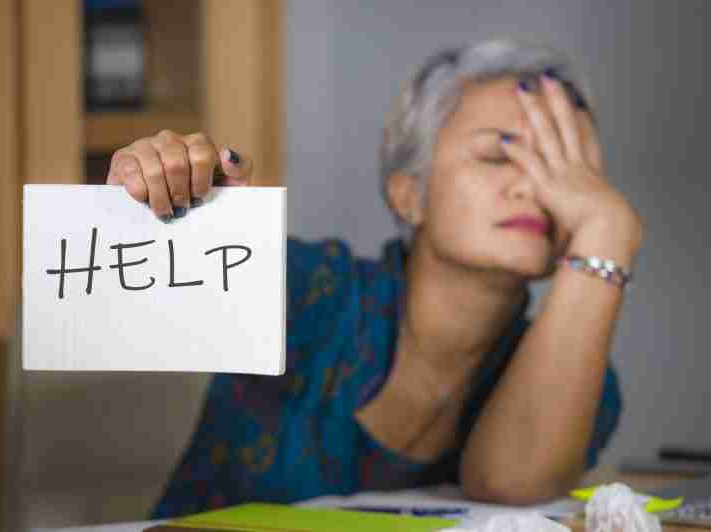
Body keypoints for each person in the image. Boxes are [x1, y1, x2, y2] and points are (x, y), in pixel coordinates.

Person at [105, 38, 643, 518]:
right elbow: (121, 297)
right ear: (409, 194)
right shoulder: (309, 290)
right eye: (497, 157)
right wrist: (149, 193)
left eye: (565, 169)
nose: (536, 189)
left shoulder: (584, 384)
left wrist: (607, 232)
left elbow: (506, 484)